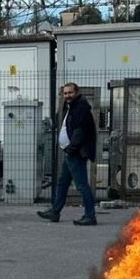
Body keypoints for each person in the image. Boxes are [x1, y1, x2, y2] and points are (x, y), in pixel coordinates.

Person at [37, 82, 98, 226]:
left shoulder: (81, 108)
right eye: (65, 93)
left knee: (82, 185)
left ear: (76, 93)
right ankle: (55, 211)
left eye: (70, 93)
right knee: (62, 182)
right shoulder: (69, 106)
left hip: (75, 152)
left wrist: (71, 149)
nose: (67, 96)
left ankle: (90, 215)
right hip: (69, 152)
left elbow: (80, 131)